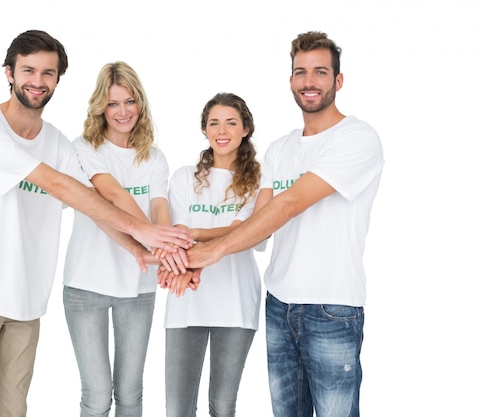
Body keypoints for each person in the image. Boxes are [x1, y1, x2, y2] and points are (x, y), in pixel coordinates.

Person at [0, 32, 191, 417]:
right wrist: (144, 232)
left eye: (48, 73)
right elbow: (59, 185)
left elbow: (94, 204)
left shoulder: (56, 142)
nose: (37, 81)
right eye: (28, 70)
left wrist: (141, 250)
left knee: (13, 409)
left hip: (26, 300)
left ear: (58, 80)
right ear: (9, 72)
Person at [180, 31, 385, 417]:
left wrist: (209, 252)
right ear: (291, 81)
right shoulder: (280, 149)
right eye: (301, 72)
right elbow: (261, 221)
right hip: (279, 305)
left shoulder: (358, 138)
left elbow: (289, 204)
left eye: (320, 72)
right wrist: (194, 251)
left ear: (337, 81)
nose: (309, 81)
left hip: (332, 305)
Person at [61, 61, 179, 417]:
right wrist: (155, 242)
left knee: (130, 394)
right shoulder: (83, 148)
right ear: (100, 107)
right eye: (113, 104)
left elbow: (160, 209)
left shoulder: (155, 158)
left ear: (140, 104)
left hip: (138, 289)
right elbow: (112, 196)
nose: (122, 111)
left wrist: (162, 245)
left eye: (129, 101)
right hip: (86, 285)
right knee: (96, 396)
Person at [158, 92, 265, 417]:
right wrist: (192, 243)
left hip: (236, 303)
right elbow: (177, 234)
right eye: (214, 123)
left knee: (222, 405)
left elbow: (248, 234)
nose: (222, 130)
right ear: (204, 130)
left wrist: (198, 234)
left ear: (245, 128)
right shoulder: (184, 177)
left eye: (231, 122)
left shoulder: (259, 181)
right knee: (178, 408)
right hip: (185, 297)